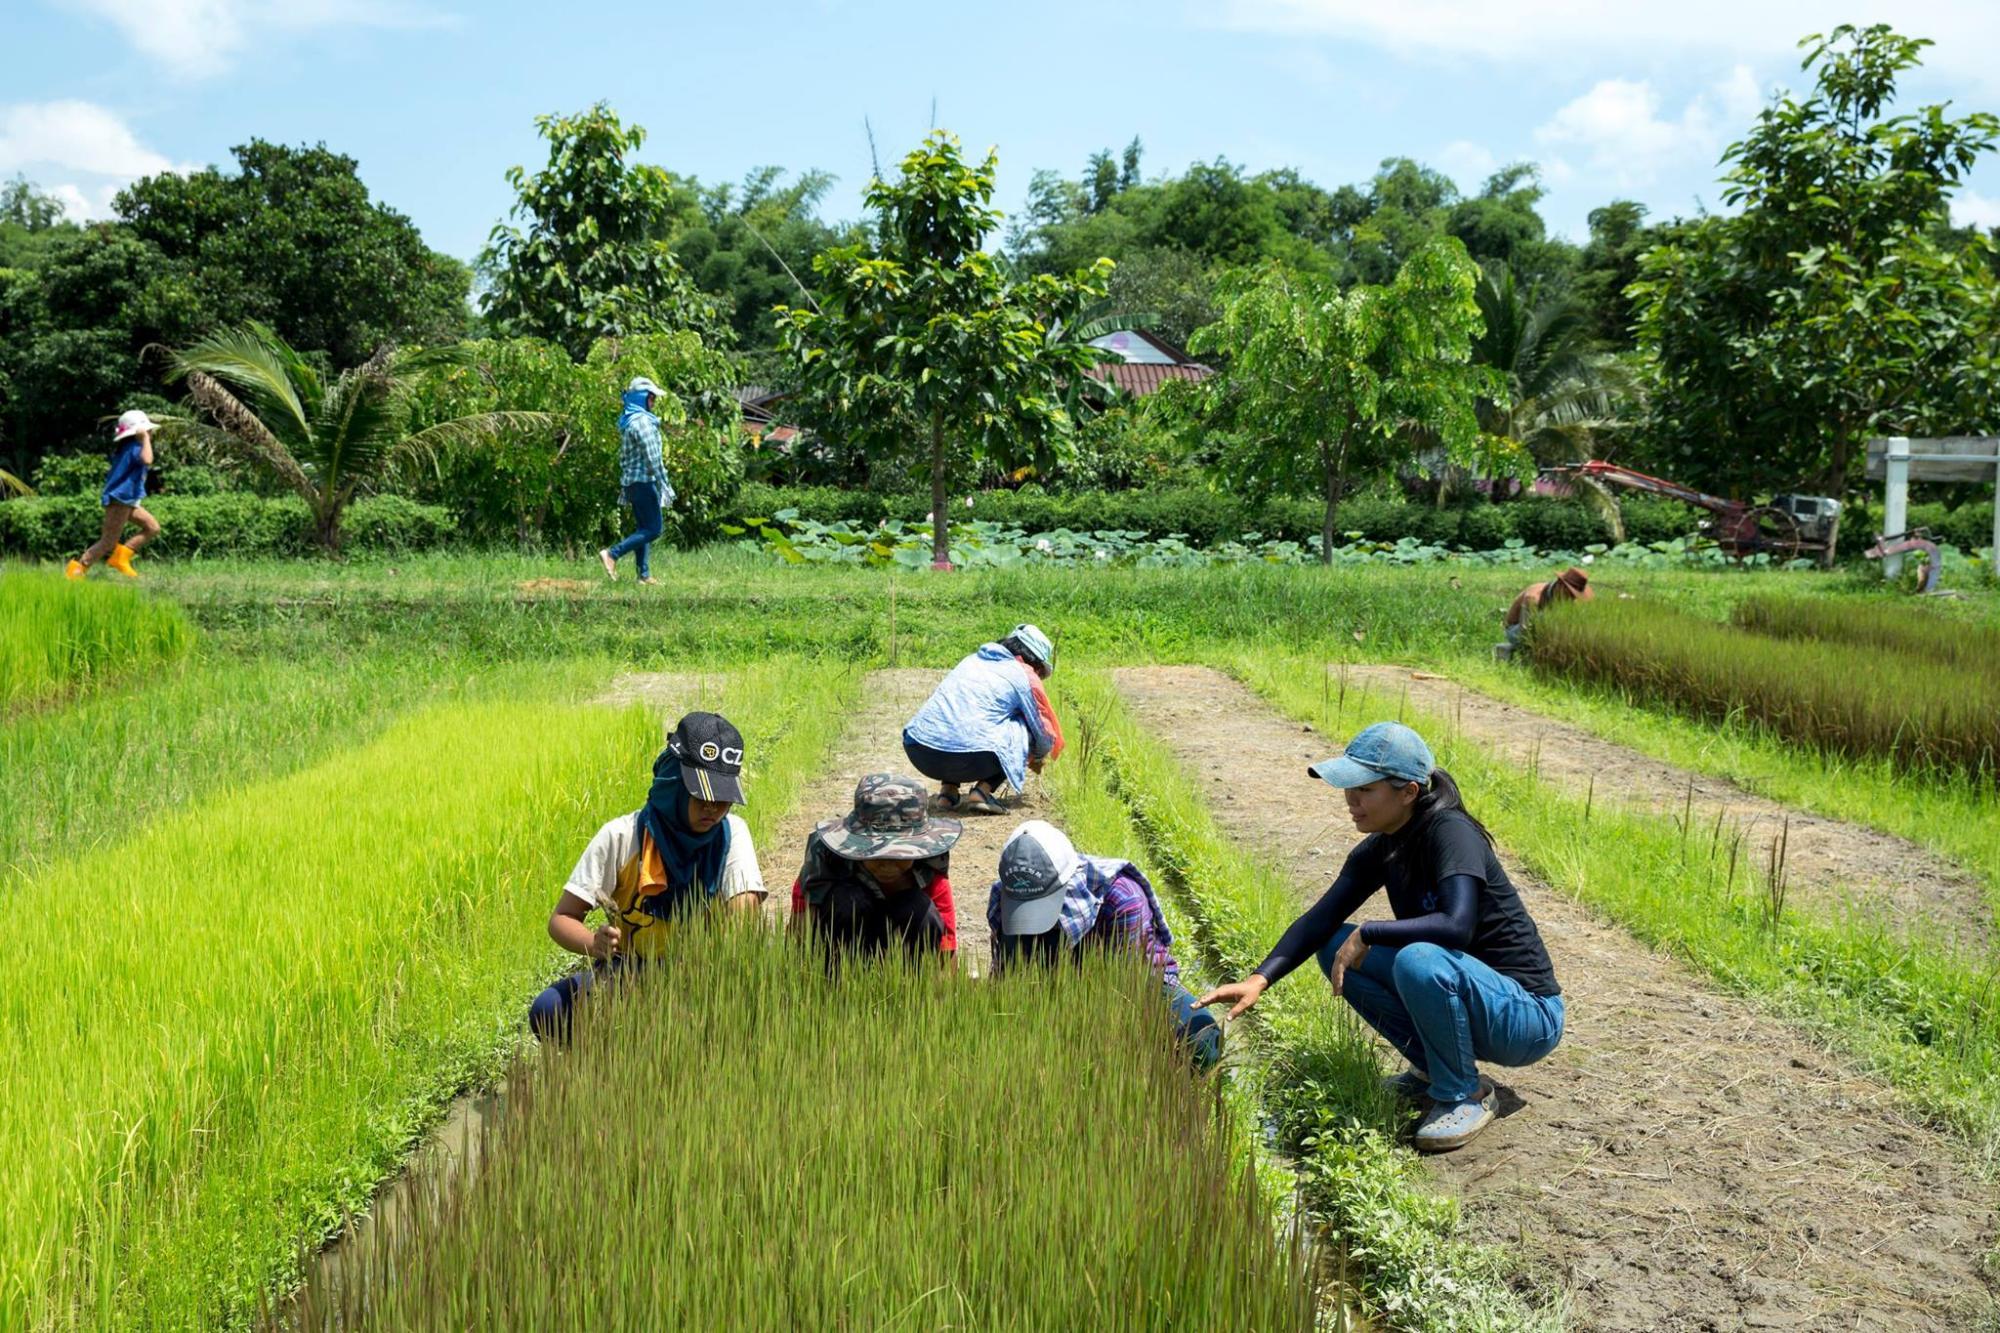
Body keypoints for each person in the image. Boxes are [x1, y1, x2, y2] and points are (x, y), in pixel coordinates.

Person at [1197, 722, 1563, 1151]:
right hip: (1475, 999)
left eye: (1364, 790)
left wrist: (1372, 931)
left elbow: (1456, 925)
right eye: (1348, 788)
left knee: (1417, 958)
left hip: (1526, 1017)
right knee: (1335, 946)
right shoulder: (1382, 846)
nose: (1351, 801)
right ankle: (1434, 1069)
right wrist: (1258, 979)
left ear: (1408, 792)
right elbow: (1319, 921)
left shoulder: (1450, 832)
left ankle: (1466, 1094)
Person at [528, 711, 764, 1042]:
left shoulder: (732, 835)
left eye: (723, 798)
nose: (714, 808)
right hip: (628, 973)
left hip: (701, 976)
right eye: (702, 795)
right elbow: (562, 919)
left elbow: (744, 913)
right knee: (549, 1009)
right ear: (673, 783)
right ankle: (598, 1069)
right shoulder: (621, 837)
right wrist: (594, 945)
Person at [991, 820, 1221, 1069]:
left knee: (1203, 1039)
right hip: (1051, 981)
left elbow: (1123, 995)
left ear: (1066, 884)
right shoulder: (1005, 896)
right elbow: (1007, 977)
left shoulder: (1121, 897)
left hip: (1138, 985)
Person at [790, 773, 961, 962]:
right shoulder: (824, 861)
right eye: (876, 853)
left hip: (904, 959)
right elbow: (799, 938)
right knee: (849, 902)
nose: (887, 864)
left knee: (919, 910)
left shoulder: (929, 867)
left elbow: (946, 950)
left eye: (899, 855)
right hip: (840, 952)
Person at [902, 624, 1062, 815]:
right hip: (971, 759)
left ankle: (948, 793)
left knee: (959, 716)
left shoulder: (971, 660)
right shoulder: (1023, 675)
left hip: (919, 751)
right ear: (1035, 663)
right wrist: (1035, 755)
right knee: (1021, 725)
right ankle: (982, 792)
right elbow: (1043, 734)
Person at [597, 376, 677, 586]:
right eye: (651, 398)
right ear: (642, 399)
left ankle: (644, 575)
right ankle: (613, 554)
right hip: (643, 482)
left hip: (633, 483)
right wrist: (665, 485)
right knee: (654, 529)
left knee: (644, 527)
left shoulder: (631, 420)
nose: (654, 402)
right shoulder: (642, 423)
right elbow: (654, 459)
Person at [67, 409, 163, 580]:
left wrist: (143, 439)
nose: (151, 433)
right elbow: (148, 459)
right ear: (139, 432)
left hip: (128, 499)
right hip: (121, 498)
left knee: (152, 527)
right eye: (148, 430)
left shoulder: (130, 447)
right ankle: (76, 571)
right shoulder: (135, 447)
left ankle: (120, 558)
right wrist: (145, 439)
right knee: (108, 541)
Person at [1498, 566, 1592, 658]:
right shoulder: (1533, 597)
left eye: (1575, 595)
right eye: (1571, 593)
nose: (1572, 598)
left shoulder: (1568, 601)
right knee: (1545, 618)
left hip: (1539, 632)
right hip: (1515, 630)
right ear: (1560, 584)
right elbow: (1524, 629)